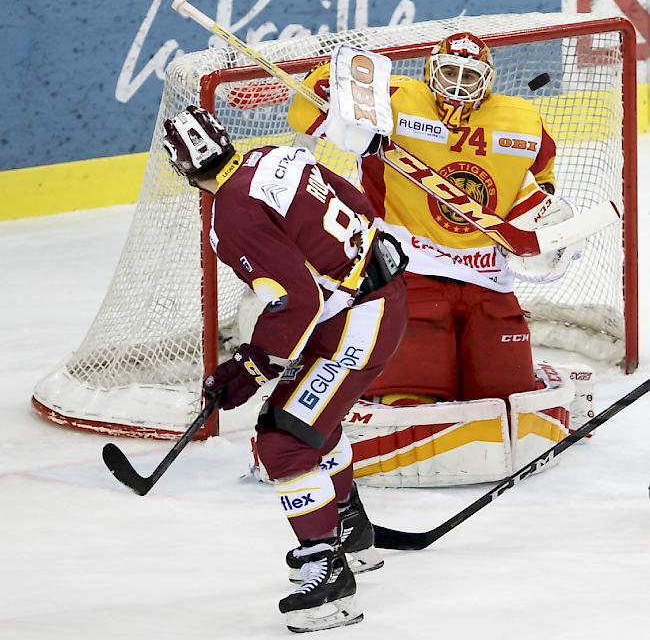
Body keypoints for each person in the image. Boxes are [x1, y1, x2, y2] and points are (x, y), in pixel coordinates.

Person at [162, 105, 408, 633]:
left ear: (183, 169)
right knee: (313, 421)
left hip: (360, 318)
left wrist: (251, 365)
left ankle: (330, 577)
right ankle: (349, 531)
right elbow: (355, 199)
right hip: (366, 298)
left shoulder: (229, 216)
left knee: (283, 439)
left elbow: (294, 301)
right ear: (226, 141)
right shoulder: (270, 157)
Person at [288, 32, 577, 408]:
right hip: (409, 275)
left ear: (487, 80)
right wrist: (331, 80)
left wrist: (545, 218)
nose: (458, 84)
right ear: (430, 70)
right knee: (409, 398)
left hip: (489, 282)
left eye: (469, 75)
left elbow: (541, 181)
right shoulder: (393, 100)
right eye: (449, 72)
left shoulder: (523, 121)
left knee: (507, 398)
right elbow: (306, 111)